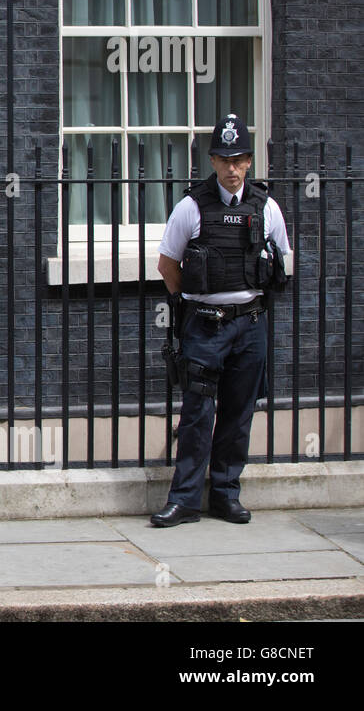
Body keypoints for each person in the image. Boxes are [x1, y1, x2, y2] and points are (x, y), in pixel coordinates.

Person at [151, 113, 291, 527]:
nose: (233, 168)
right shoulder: (191, 207)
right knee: (197, 413)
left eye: (240, 159)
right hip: (205, 326)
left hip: (248, 324)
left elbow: (282, 263)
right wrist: (192, 306)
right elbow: (166, 265)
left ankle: (226, 495)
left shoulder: (266, 208)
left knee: (239, 412)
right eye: (225, 159)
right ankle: (185, 500)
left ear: (249, 161)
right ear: (213, 161)